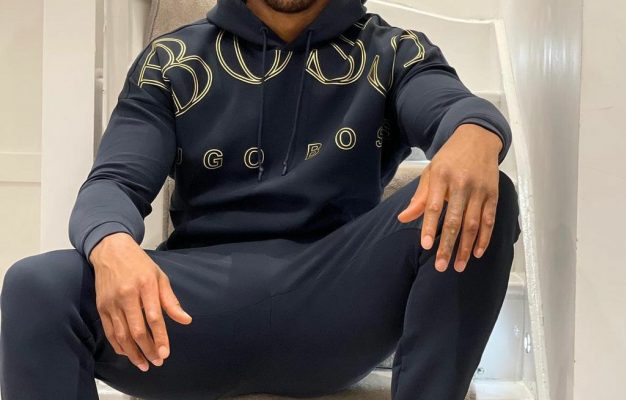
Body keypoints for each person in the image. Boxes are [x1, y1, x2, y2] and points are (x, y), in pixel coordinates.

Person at [0, 0, 521, 399]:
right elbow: (114, 180)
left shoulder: (394, 52)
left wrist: (475, 133)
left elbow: (450, 106)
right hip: (189, 312)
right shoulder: (172, 60)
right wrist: (112, 245)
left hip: (339, 298)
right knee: (36, 286)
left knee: (485, 192)